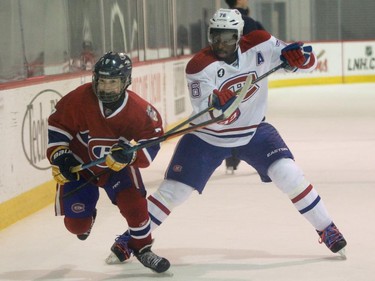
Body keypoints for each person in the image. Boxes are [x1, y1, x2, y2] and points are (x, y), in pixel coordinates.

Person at [105, 9, 347, 264]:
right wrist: (215, 105)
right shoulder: (198, 66)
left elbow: (305, 60)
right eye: (216, 37)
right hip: (207, 138)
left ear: (239, 35)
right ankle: (133, 238)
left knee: (289, 174)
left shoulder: (261, 43)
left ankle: (326, 228)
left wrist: (299, 59)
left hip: (253, 132)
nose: (221, 43)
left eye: (228, 37)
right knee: (172, 193)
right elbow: (206, 113)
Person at [47, 51, 170, 273]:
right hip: (79, 168)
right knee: (76, 226)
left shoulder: (139, 110)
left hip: (117, 168)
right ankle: (88, 216)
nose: (106, 88)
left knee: (134, 205)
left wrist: (130, 155)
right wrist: (60, 155)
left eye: (113, 82)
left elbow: (151, 141)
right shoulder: (78, 99)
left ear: (126, 81)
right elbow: (57, 127)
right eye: (102, 81)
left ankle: (142, 248)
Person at [225, 0, 265, 173]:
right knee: (254, 119)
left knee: (230, 117)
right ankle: (265, 160)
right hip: (248, 78)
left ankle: (230, 160)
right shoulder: (248, 23)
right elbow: (265, 44)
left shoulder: (222, 20)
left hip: (225, 79)